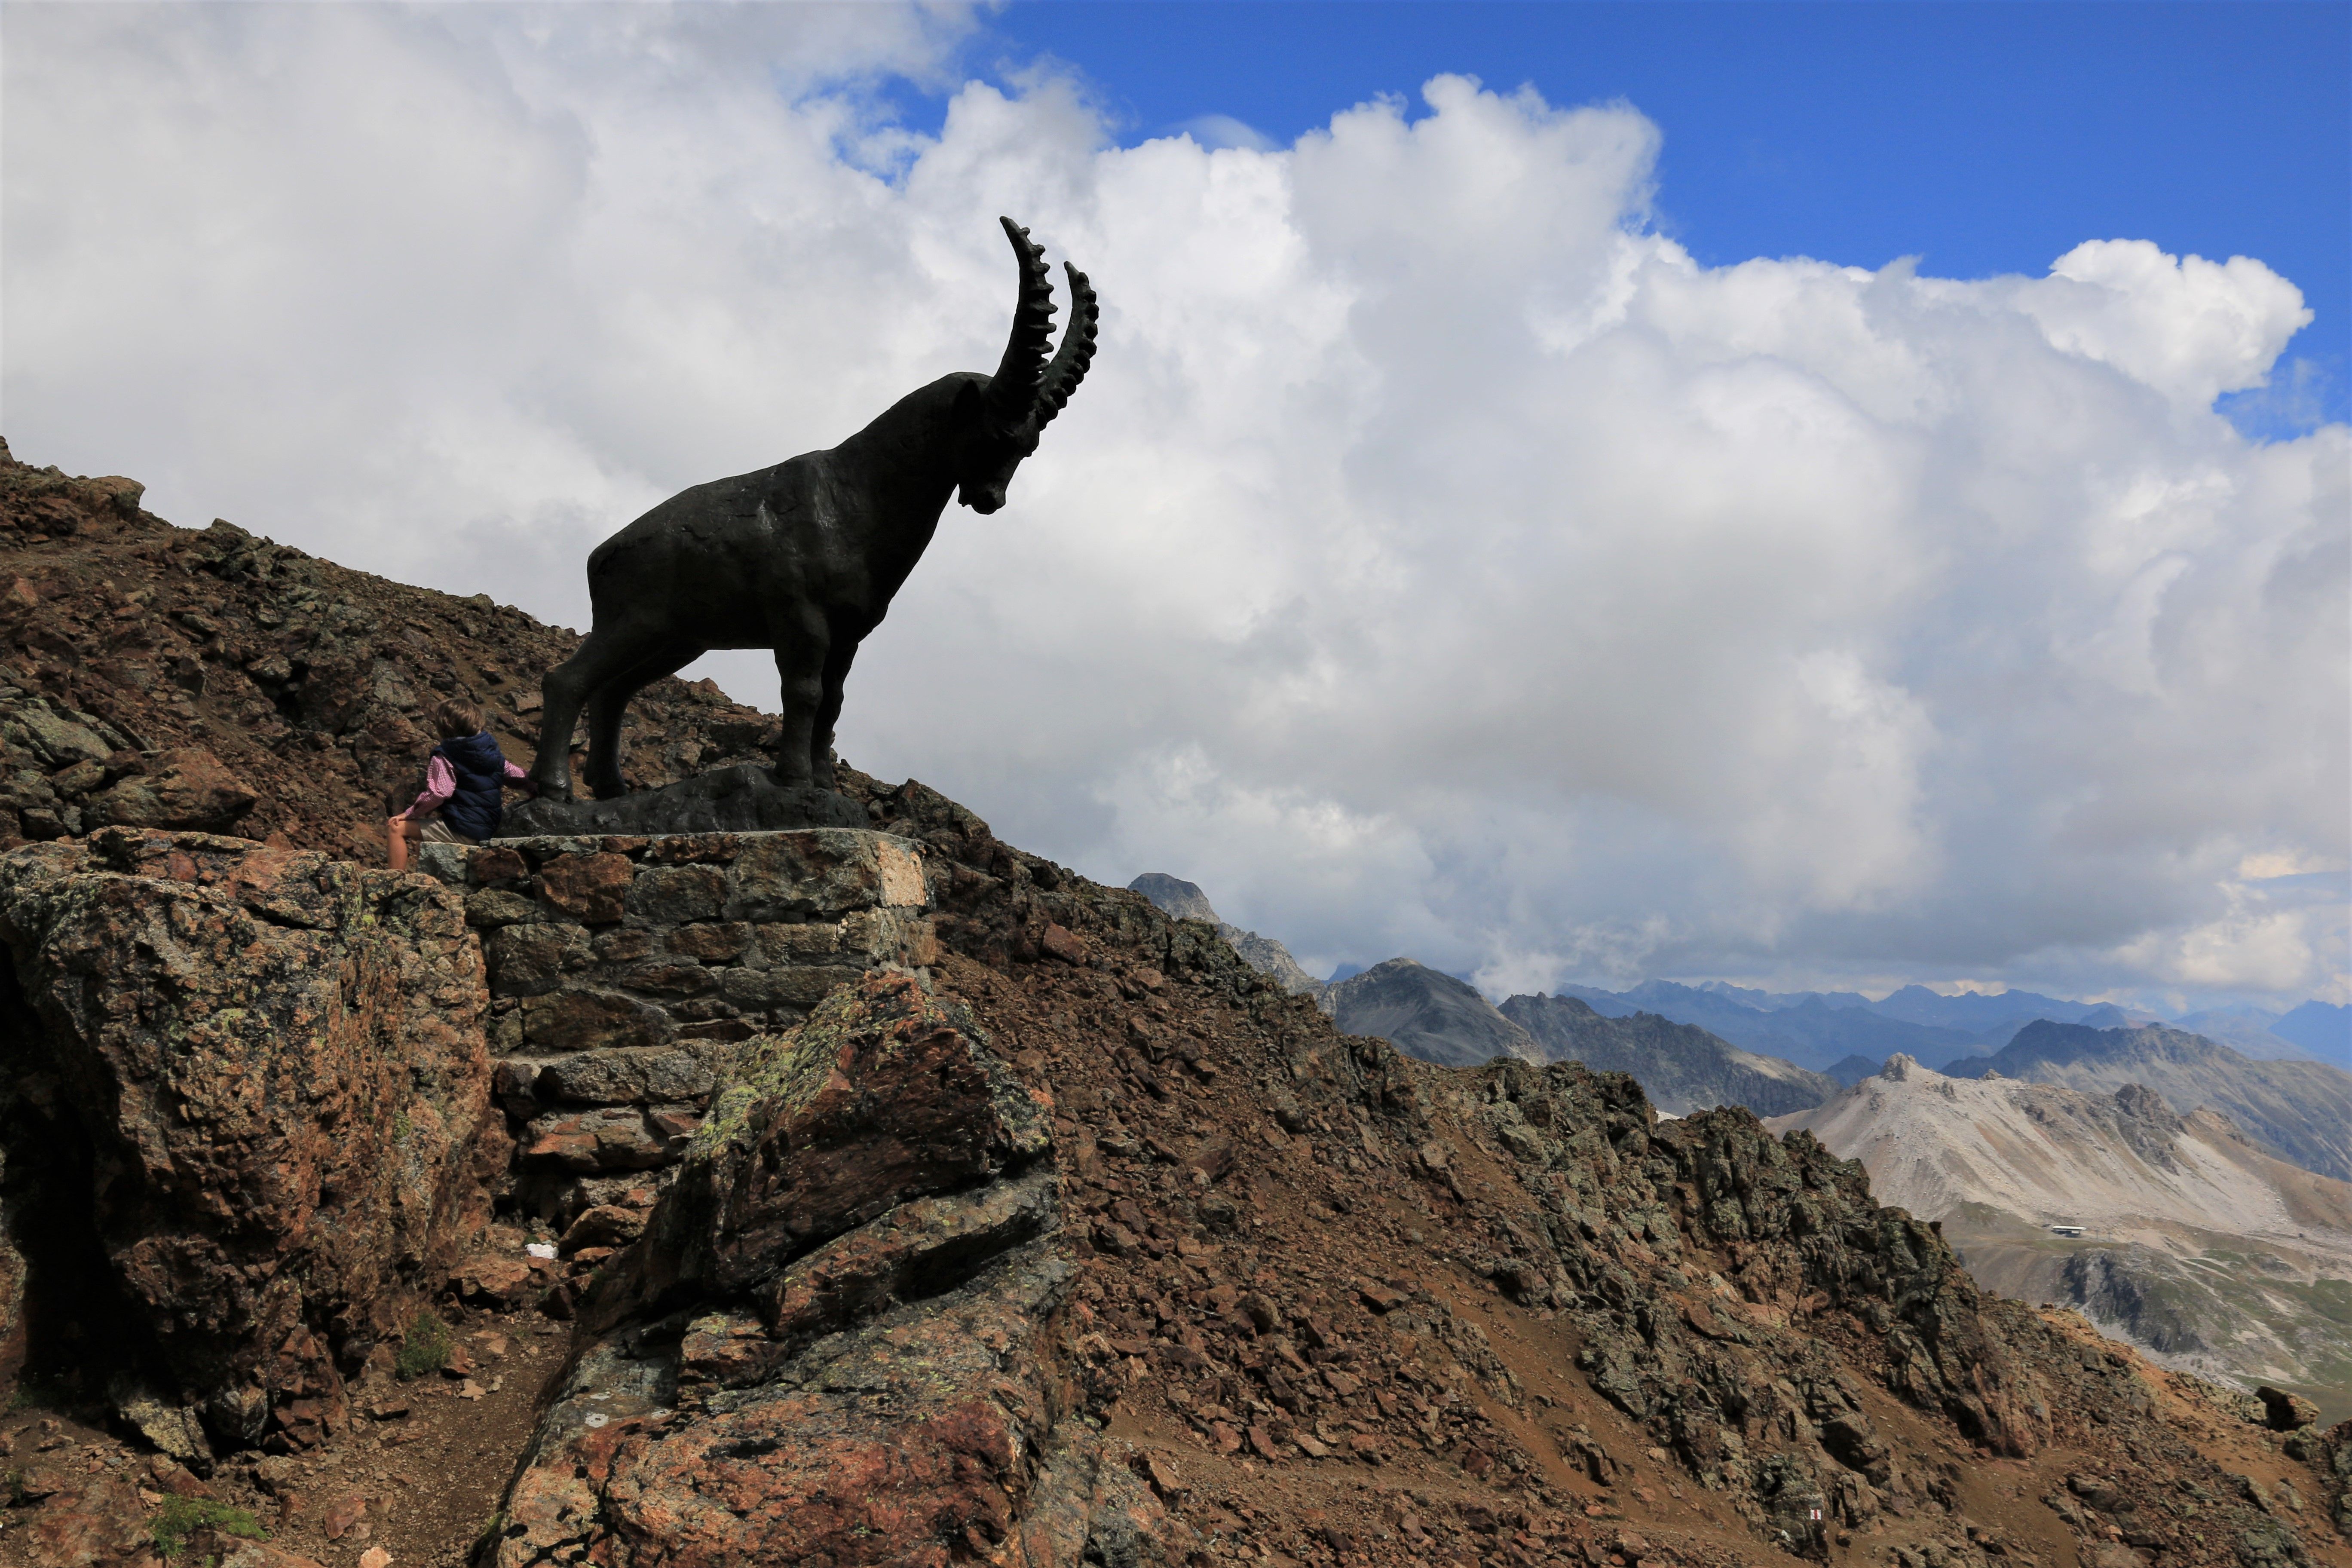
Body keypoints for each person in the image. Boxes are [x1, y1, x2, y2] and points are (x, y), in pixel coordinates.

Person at [388, 699, 537, 870]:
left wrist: (410, 814)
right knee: (423, 841)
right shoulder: (493, 754)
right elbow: (521, 777)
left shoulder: (445, 756)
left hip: (463, 829)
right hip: (489, 829)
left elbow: (439, 793)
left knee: (396, 829)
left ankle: (394, 880)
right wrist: (534, 789)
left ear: (444, 726)